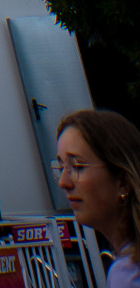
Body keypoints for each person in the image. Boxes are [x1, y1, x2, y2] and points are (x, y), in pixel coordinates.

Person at [57, 110, 140, 288]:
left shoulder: (128, 274)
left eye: (77, 166)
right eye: (60, 167)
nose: (63, 182)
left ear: (122, 181)